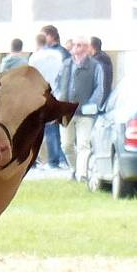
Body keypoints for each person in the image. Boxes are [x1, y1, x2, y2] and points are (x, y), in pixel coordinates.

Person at [56, 36, 105, 181]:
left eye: (78, 45)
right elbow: (57, 85)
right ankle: (74, 168)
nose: (74, 48)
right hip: (66, 112)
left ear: (85, 47)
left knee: (84, 145)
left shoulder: (95, 66)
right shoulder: (65, 65)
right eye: (74, 46)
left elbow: (99, 89)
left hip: (85, 114)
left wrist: (90, 105)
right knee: (66, 145)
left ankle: (82, 175)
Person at [29, 33, 65, 168]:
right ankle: (54, 160)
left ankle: (33, 160)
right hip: (54, 93)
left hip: (38, 94)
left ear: (36, 43)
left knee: (34, 129)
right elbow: (61, 74)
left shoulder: (34, 57)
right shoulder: (57, 56)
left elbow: (31, 76)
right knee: (52, 129)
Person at [90, 36, 114, 107]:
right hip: (102, 100)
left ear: (91, 47)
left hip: (98, 103)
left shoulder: (98, 61)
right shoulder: (102, 58)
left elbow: (100, 84)